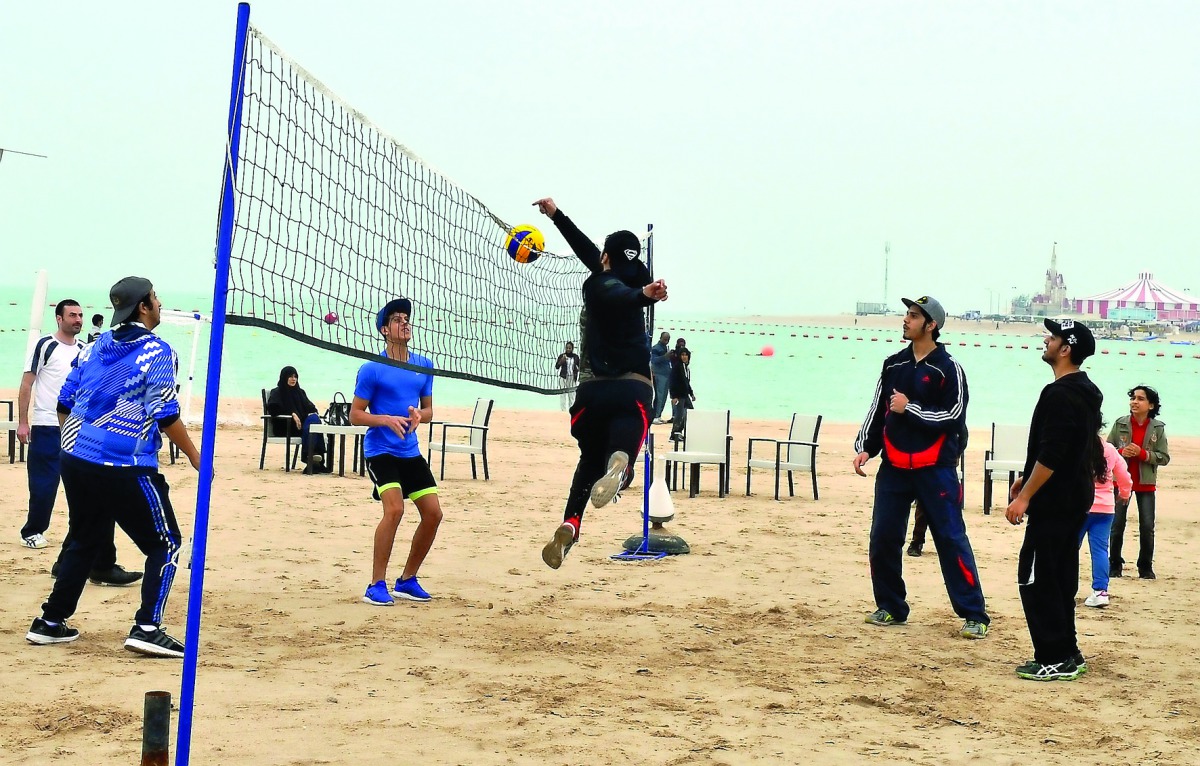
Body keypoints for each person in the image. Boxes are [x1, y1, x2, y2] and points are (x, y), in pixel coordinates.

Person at [25, 277, 201, 657]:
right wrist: (195, 456)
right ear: (144, 306)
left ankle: (50, 622)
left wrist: (75, 442)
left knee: (85, 537)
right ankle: (147, 628)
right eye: (155, 297)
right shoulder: (158, 351)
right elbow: (165, 414)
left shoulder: (93, 346)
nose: (159, 301)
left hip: (74, 457)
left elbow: (65, 401)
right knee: (166, 544)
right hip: (123, 464)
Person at [532, 196, 668, 569]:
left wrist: (556, 215)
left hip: (592, 397)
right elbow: (621, 286)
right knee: (622, 447)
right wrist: (643, 293)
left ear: (605, 259)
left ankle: (570, 523)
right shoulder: (632, 280)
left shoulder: (596, 285)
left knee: (588, 460)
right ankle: (621, 466)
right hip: (634, 390)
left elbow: (597, 266)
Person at [852, 296, 989, 639]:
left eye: (913, 316)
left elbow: (953, 416)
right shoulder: (894, 364)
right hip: (894, 467)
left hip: (936, 468)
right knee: (883, 537)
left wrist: (910, 407)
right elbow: (879, 409)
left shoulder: (948, 368)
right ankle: (891, 606)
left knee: (950, 538)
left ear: (931, 325)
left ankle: (974, 614)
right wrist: (866, 448)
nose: (905, 320)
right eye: (906, 314)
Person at [16, 299, 141, 588]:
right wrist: (24, 421)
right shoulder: (45, 345)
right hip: (47, 424)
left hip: (79, 428)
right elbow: (26, 384)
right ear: (59, 318)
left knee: (88, 495)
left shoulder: (86, 351)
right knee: (45, 484)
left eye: (81, 315)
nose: (78, 319)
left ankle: (89, 562)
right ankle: (34, 531)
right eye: (72, 315)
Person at [1004, 318, 1103, 681]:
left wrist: (1025, 496)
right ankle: (1068, 651)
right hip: (1075, 499)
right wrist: (1024, 481)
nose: (1046, 340)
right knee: (1061, 576)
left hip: (1055, 501)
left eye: (1053, 337)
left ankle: (1052, 655)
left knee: (1036, 577)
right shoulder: (1084, 390)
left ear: (1066, 348)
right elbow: (1072, 448)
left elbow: (1053, 453)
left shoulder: (1061, 393)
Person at [351, 297, 442, 605]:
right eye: (397, 319)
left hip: (410, 452)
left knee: (433, 514)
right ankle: (376, 584)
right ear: (384, 330)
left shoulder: (423, 365)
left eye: (406, 318)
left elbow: (428, 410)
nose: (405, 322)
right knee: (394, 510)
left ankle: (406, 580)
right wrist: (385, 420)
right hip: (380, 451)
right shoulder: (372, 369)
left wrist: (419, 416)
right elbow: (355, 415)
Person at [1107, 385, 1170, 579]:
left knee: (1147, 526)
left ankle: (1145, 567)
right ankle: (1115, 565)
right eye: (1133, 398)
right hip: (1120, 482)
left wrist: (1143, 454)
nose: (1135, 401)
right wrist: (1120, 452)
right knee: (1116, 525)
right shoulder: (1120, 423)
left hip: (1146, 483)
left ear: (1151, 405)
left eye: (1140, 399)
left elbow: (1164, 457)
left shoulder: (1158, 428)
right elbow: (1107, 450)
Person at [1081, 429, 1132, 608]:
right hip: (1106, 507)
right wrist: (1124, 493)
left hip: (1081, 505)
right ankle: (1101, 591)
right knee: (1101, 550)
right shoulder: (1109, 449)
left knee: (1070, 549)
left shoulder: (1079, 447)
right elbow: (1124, 475)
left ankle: (1066, 589)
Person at [266, 365, 329, 474]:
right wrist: (292, 414)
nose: (293, 379)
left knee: (314, 419)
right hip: (285, 426)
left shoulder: (300, 392)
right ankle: (314, 460)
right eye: (290, 376)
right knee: (312, 426)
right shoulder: (277, 392)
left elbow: (312, 408)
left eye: (295, 376)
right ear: (284, 377)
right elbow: (273, 409)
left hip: (302, 427)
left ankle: (310, 457)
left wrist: (311, 415)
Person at [668, 349, 695, 441]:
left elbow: (686, 382)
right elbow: (672, 382)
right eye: (682, 355)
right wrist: (673, 396)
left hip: (685, 395)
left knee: (690, 412)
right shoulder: (677, 367)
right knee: (679, 415)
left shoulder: (686, 368)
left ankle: (678, 431)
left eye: (686, 355)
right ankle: (674, 434)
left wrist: (691, 394)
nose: (684, 357)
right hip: (679, 395)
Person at [650, 331, 672, 424]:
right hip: (659, 375)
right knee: (659, 396)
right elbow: (653, 360)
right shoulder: (656, 348)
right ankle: (655, 415)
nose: (666, 341)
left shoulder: (665, 348)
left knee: (664, 396)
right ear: (660, 338)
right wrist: (665, 357)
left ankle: (659, 415)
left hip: (666, 374)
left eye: (667, 340)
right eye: (665, 339)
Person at [554, 342, 581, 412]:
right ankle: (563, 411)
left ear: (572, 349)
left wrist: (578, 369)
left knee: (572, 395)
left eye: (570, 348)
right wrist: (561, 361)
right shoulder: (562, 356)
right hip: (563, 377)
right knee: (562, 395)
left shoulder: (576, 357)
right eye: (567, 348)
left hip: (572, 378)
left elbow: (580, 366)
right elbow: (557, 366)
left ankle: (571, 411)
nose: (568, 349)